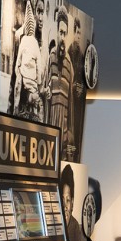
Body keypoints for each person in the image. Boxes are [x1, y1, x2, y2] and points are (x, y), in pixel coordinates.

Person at [48, 9, 75, 144]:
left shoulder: (69, 64)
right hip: (48, 134)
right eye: (60, 33)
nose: (62, 37)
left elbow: (70, 103)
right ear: (56, 32)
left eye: (65, 33)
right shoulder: (51, 56)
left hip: (62, 136)